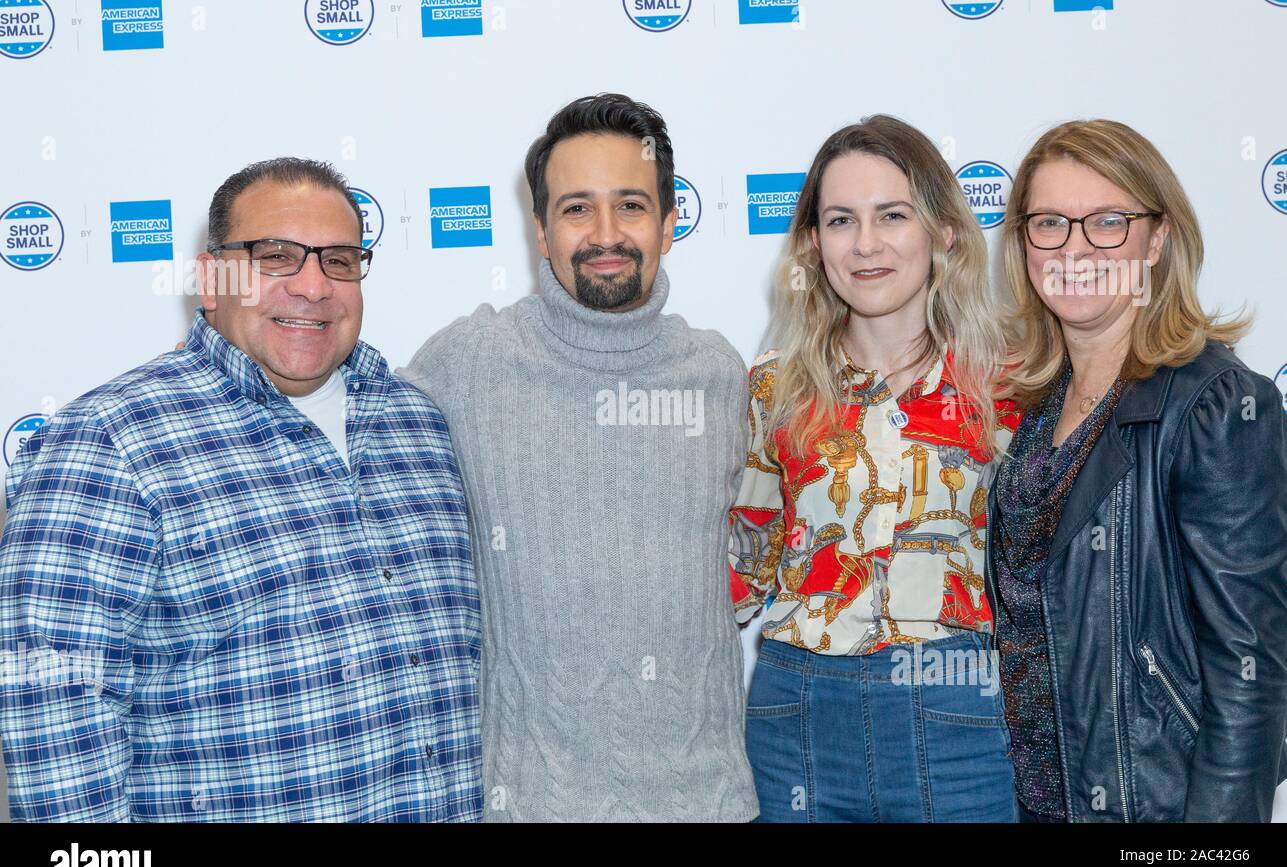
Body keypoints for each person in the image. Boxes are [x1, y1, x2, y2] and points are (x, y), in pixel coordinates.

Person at [0, 158, 481, 822]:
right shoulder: (108, 442)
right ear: (210, 279)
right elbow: (54, 724)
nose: (313, 286)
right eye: (275, 256)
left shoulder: (418, 423)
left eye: (339, 260)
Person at [401, 93, 757, 822]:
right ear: (539, 228)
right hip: (528, 806)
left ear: (668, 220)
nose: (605, 234)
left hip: (709, 804)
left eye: (630, 205)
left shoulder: (719, 372)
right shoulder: (470, 362)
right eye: (575, 209)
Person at [987, 119, 1287, 823]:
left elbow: (1252, 684)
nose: (1074, 247)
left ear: (1157, 238)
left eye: (1107, 221)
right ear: (1023, 243)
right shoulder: (1035, 407)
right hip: (1030, 806)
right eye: (1049, 223)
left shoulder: (1217, 407)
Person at [728, 115, 1020, 822]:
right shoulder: (773, 386)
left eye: (893, 215)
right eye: (840, 220)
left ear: (945, 231)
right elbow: (743, 566)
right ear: (813, 244)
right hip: (796, 710)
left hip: (957, 705)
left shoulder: (1012, 384)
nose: (865, 244)